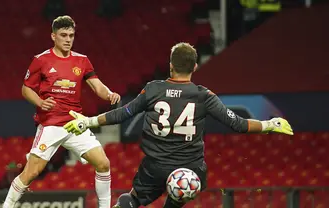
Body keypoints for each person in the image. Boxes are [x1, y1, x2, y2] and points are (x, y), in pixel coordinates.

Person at [63, 42, 293, 208]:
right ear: (194, 68)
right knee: (184, 189)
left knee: (131, 199)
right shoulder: (204, 96)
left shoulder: (154, 89)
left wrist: (88, 122)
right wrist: (269, 124)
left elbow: (124, 113)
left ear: (170, 65)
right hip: (189, 169)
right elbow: (238, 124)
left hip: (154, 167)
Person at [2, 15, 120, 208]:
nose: (68, 39)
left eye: (71, 35)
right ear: (53, 36)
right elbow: (25, 89)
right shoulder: (41, 60)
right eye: (63, 35)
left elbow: (97, 86)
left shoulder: (82, 61)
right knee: (31, 173)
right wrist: (40, 102)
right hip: (50, 123)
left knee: (103, 163)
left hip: (75, 123)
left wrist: (109, 94)